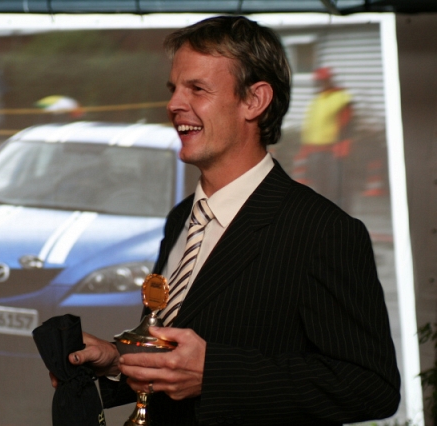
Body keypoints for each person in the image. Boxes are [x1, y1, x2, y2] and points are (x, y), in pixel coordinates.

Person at [51, 15, 401, 425]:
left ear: (255, 101)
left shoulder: (323, 231)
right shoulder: (182, 217)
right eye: (174, 88)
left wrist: (216, 375)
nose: (174, 104)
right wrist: (116, 361)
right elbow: (179, 357)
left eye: (197, 89)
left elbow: (371, 386)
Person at [294, 66, 354, 210]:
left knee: (336, 186)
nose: (320, 84)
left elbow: (347, 124)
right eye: (318, 81)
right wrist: (305, 148)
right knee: (320, 186)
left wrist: (344, 145)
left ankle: (343, 214)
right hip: (315, 151)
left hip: (333, 151)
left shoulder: (340, 97)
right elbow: (311, 126)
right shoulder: (317, 100)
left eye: (323, 80)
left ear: (330, 80)